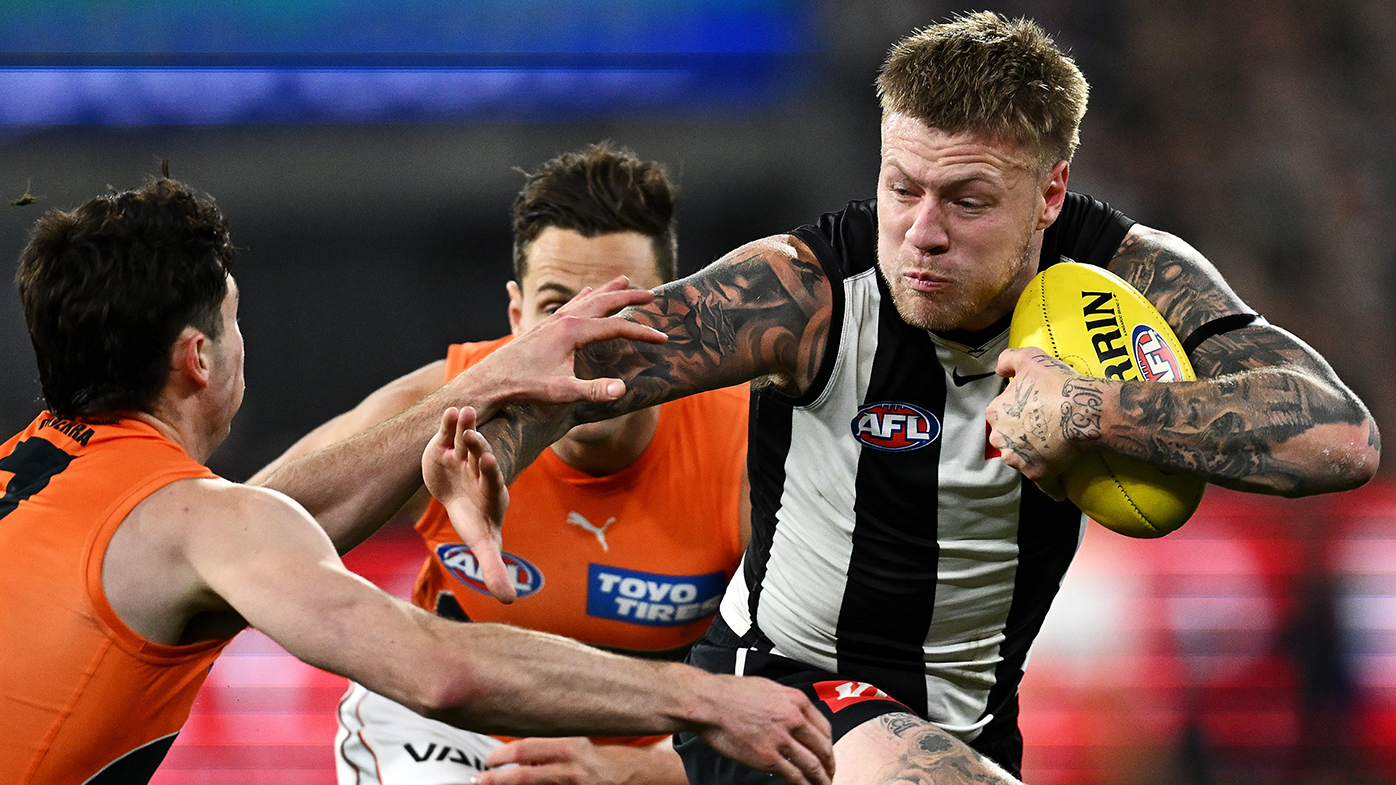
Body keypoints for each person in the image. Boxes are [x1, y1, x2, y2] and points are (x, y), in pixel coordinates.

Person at [454, 12, 1382, 785]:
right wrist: (484, 450)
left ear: (1050, 191)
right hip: (784, 702)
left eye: (968, 200)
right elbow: (584, 365)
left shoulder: (1129, 278)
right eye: (902, 188)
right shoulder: (808, 289)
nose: (922, 233)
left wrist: (1094, 410)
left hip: (971, 728)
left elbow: (1341, 438)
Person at [0, 175, 835, 785]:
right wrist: (706, 702)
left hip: (654, 749)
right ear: (201, 358)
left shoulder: (41, 474)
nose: (597, 340)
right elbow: (430, 666)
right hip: (469, 729)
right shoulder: (199, 519)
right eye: (235, 316)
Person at [254, 144, 750, 785]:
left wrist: (628, 771)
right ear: (516, 319)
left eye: (621, 307)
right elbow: (246, 530)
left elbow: (797, 698)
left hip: (660, 754)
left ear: (675, 324)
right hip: (452, 733)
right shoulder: (437, 409)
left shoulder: (746, 443)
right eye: (556, 308)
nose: (587, 340)